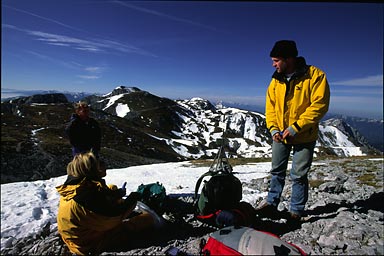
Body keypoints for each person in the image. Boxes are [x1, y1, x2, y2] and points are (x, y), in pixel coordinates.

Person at [256, 40, 330, 222]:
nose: (273, 64)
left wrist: (295, 127)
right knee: (277, 171)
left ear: (288, 59)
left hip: (304, 135)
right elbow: (270, 108)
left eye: (275, 60)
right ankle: (271, 203)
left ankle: (295, 211)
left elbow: (319, 106)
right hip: (280, 135)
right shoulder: (275, 80)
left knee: (298, 175)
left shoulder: (315, 76)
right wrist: (273, 128)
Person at [56, 151, 163, 255]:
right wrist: (133, 199)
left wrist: (116, 194)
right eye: (100, 163)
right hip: (88, 244)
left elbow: (101, 192)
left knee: (112, 188)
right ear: (92, 169)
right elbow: (115, 217)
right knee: (146, 219)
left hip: (77, 234)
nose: (104, 164)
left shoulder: (77, 186)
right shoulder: (87, 199)